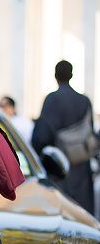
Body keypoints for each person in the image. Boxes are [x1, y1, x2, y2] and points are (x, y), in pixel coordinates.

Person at [32, 60, 96, 215]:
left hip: (59, 164)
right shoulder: (84, 100)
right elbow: (90, 132)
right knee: (83, 214)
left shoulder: (52, 99)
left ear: (55, 76)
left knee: (64, 213)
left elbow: (41, 136)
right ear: (72, 75)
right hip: (81, 163)